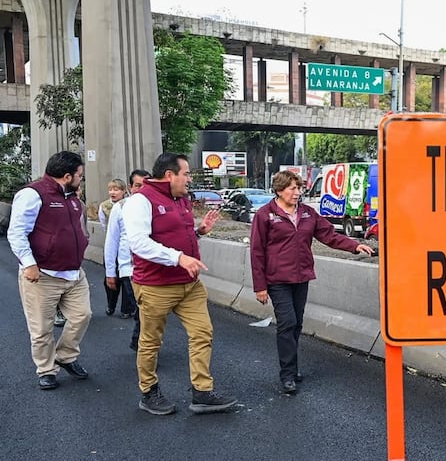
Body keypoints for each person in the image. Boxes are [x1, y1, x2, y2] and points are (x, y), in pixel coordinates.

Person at [122, 152, 237, 416]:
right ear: (169, 175)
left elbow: (177, 235)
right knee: (150, 342)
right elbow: (139, 243)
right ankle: (149, 392)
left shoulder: (182, 200)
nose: (189, 179)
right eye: (186, 173)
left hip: (189, 285)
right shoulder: (140, 201)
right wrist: (178, 258)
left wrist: (199, 232)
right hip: (155, 286)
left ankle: (202, 392)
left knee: (202, 333)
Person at [250, 169, 374, 394]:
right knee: (287, 322)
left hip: (301, 276)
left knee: (296, 323)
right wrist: (260, 286)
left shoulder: (308, 214)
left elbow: (330, 235)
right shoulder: (264, 215)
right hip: (277, 279)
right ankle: (287, 374)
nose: (297, 193)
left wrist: (354, 246)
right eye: (293, 189)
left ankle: (293, 366)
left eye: (299, 188)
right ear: (279, 191)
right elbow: (257, 251)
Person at [8, 151, 92, 390]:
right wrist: (29, 263)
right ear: (67, 176)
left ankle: (64, 356)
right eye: (80, 176)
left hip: (74, 273)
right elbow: (16, 232)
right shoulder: (32, 194)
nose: (81, 180)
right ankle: (46, 369)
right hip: (42, 275)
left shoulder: (72, 197)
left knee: (82, 316)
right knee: (42, 328)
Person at [104, 169, 149, 351]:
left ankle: (140, 342)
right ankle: (142, 345)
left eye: (146, 185)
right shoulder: (120, 207)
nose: (142, 189)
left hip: (150, 269)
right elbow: (111, 241)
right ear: (131, 187)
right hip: (128, 269)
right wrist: (110, 273)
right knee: (141, 311)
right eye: (138, 185)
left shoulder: (154, 207)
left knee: (147, 311)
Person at [98, 178, 131, 316]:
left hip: (126, 247)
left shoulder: (129, 204)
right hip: (112, 244)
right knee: (111, 277)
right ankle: (111, 304)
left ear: (124, 191)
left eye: (116, 189)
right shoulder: (104, 206)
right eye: (111, 189)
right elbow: (105, 226)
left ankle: (126, 309)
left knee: (126, 279)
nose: (113, 192)